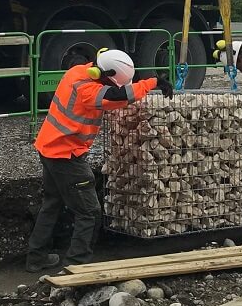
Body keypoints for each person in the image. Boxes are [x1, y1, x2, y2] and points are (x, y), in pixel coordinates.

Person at [26, 48, 173, 272]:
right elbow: (115, 96)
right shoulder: (86, 89)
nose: (112, 86)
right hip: (67, 156)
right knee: (89, 212)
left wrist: (141, 82)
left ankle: (36, 258)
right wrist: (152, 83)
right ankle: (76, 265)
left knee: (52, 204)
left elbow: (114, 93)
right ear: (99, 74)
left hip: (48, 148)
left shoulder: (78, 71)